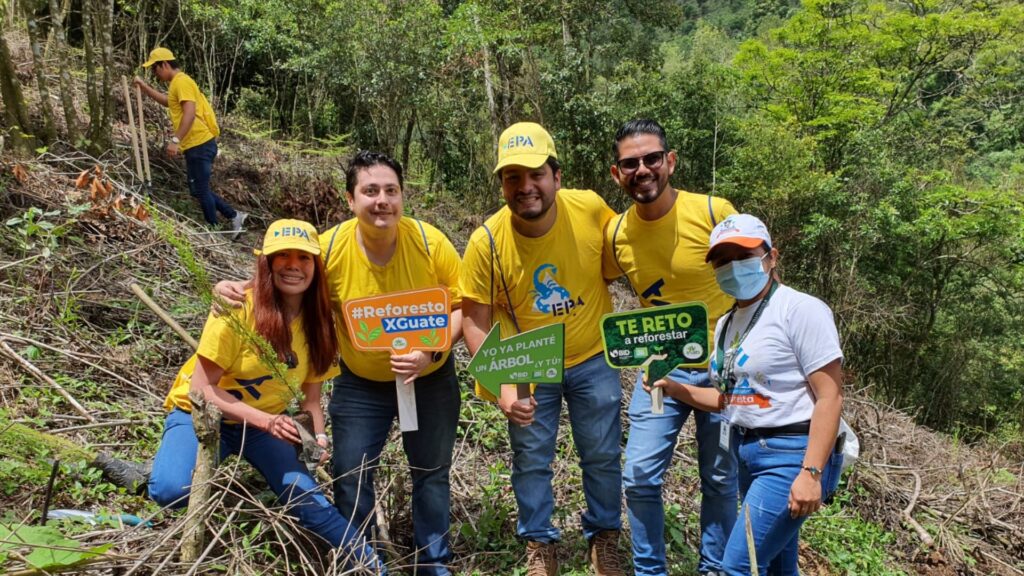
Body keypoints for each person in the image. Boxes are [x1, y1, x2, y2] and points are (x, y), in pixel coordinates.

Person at [215, 151, 463, 576]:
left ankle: (433, 562)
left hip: (430, 379)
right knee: (351, 469)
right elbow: (288, 282)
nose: (381, 200)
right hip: (362, 383)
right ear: (351, 200)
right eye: (370, 191)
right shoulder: (328, 249)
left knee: (431, 470)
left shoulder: (429, 242)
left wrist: (430, 354)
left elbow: (463, 304)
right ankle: (362, 558)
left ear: (403, 197)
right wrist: (238, 287)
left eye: (391, 191)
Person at [148, 219, 383, 572]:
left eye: (303, 258)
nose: (293, 265)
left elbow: (311, 400)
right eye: (282, 256)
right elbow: (201, 389)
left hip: (259, 428)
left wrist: (317, 436)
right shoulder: (237, 307)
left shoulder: (320, 324)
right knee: (170, 491)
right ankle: (153, 473)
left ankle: (375, 566)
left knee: (308, 501)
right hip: (201, 415)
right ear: (267, 263)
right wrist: (269, 422)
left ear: (316, 267)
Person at [461, 122, 625, 576]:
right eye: (513, 177)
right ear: (501, 184)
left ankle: (605, 537)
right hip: (529, 363)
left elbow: (625, 257)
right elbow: (474, 319)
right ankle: (539, 543)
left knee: (602, 452)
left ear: (556, 175)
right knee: (531, 459)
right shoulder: (488, 242)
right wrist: (502, 386)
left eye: (536, 174)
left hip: (594, 354)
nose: (525, 187)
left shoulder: (590, 209)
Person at [649, 214, 845, 576]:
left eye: (743, 255)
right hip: (747, 452)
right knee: (775, 568)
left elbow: (830, 397)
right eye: (722, 260)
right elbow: (730, 400)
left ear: (771, 257)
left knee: (738, 566)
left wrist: (812, 473)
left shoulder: (800, 310)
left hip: (792, 454)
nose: (733, 267)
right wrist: (675, 388)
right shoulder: (726, 324)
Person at [604, 119, 738, 576]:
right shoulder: (616, 235)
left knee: (720, 479)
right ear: (616, 173)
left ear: (670, 161)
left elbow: (759, 281)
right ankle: (650, 571)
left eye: (651, 159)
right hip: (660, 368)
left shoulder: (713, 211)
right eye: (630, 163)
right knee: (639, 476)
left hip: (725, 367)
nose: (642, 170)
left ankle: (715, 568)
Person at [135, 47, 246, 238]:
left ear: (165, 64)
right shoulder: (177, 84)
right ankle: (234, 215)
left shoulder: (182, 82)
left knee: (201, 190)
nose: (155, 73)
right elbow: (169, 102)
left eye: (155, 69)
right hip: (196, 144)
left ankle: (214, 230)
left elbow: (189, 113)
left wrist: (175, 140)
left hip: (199, 143)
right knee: (197, 190)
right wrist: (144, 87)